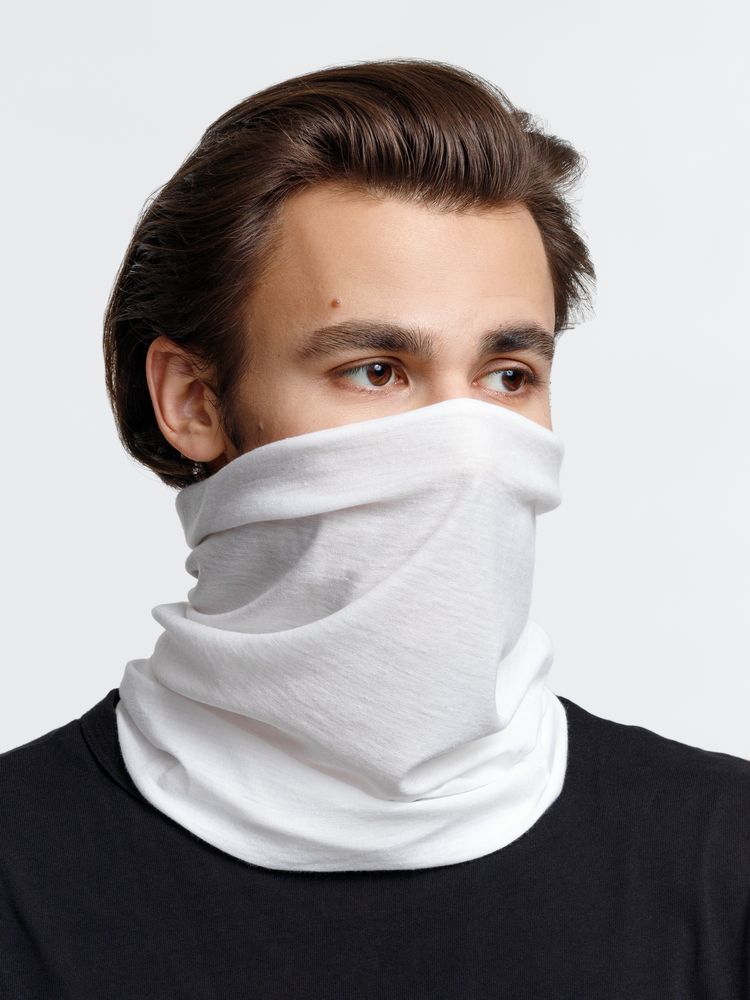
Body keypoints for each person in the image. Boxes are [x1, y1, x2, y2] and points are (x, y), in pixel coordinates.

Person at [1, 57, 748, 999]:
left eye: (508, 376)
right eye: (376, 370)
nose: (467, 446)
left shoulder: (725, 861)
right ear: (193, 399)